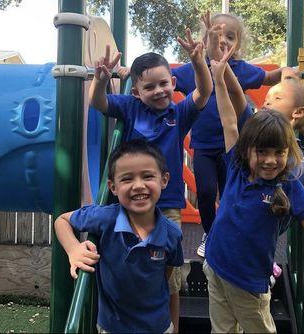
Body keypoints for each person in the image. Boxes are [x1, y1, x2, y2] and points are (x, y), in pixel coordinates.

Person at [202, 47, 304, 333]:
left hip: (248, 281)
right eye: (261, 151)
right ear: (248, 150)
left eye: (279, 152)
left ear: (288, 151)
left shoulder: (287, 183)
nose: (271, 160)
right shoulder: (237, 168)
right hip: (215, 266)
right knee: (222, 330)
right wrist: (218, 78)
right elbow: (228, 119)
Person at [89, 30, 212, 333]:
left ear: (173, 82)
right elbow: (98, 102)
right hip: (131, 206)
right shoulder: (130, 109)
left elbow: (203, 92)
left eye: (163, 83)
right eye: (149, 87)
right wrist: (102, 78)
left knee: (170, 276)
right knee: (132, 267)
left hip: (167, 205)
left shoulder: (178, 113)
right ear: (137, 92)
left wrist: (198, 62)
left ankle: (171, 327)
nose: (158, 91)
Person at [172, 11, 299, 257]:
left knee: (231, 191)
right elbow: (163, 78)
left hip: (234, 148)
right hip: (204, 147)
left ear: (238, 44)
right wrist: (129, 73)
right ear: (206, 37)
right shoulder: (194, 69)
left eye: (230, 36)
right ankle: (210, 234)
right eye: (217, 34)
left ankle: (233, 233)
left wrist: (290, 74)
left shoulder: (241, 70)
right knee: (207, 192)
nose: (223, 40)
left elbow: (272, 77)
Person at [54, 140, 183, 333]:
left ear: (163, 180)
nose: (138, 185)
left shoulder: (172, 234)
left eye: (147, 176)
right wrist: (74, 249)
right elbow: (62, 221)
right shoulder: (105, 218)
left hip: (157, 326)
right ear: (113, 187)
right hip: (112, 327)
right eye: (127, 179)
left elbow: (166, 273)